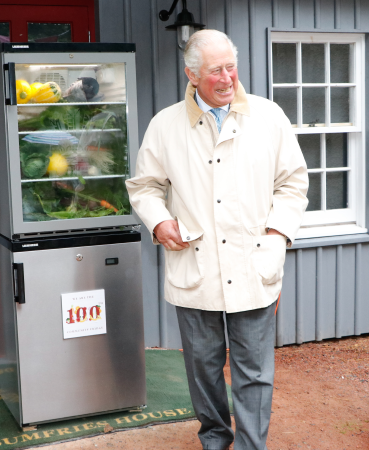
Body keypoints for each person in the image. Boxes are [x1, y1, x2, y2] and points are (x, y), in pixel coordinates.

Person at [126, 30, 309, 450]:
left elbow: (293, 183)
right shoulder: (166, 125)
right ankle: (215, 438)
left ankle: (249, 445)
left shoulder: (268, 117)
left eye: (231, 66)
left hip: (254, 262)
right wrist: (158, 221)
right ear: (191, 74)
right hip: (196, 267)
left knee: (255, 371)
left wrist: (279, 234)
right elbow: (145, 186)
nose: (227, 78)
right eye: (215, 70)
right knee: (202, 367)